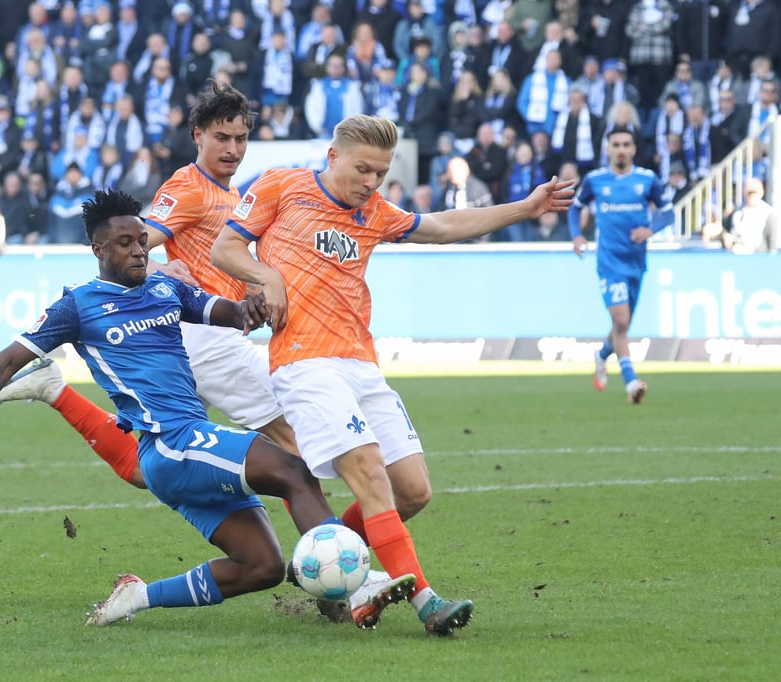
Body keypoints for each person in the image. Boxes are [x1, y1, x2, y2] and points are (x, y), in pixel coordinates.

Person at [0, 84, 416, 628]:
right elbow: (143, 237)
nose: (232, 148)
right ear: (197, 137)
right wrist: (158, 268)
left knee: (167, 465)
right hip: (205, 341)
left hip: (222, 332)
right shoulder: (188, 187)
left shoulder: (232, 193)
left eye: (240, 138)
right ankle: (345, 577)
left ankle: (53, 390)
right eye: (221, 137)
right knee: (294, 458)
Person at [209, 114, 574, 635]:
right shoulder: (281, 186)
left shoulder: (375, 212)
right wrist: (267, 276)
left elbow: (444, 227)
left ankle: (323, 554)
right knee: (371, 473)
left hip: (360, 363)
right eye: (362, 170)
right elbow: (226, 247)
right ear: (332, 157)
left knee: (413, 492)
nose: (370, 183)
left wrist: (528, 207)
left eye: (379, 173)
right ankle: (425, 600)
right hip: (304, 363)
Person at [0, 189, 345, 629]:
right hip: (170, 443)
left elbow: (229, 313)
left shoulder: (166, 288)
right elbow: (8, 359)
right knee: (295, 471)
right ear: (99, 249)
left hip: (186, 448)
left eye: (142, 241)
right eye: (125, 244)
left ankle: (137, 596)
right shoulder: (79, 305)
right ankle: (353, 581)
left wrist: (251, 308)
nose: (139, 251)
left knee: (262, 567)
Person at [569, 127, 675, 404]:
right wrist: (577, 235)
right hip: (609, 262)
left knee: (621, 328)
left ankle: (602, 354)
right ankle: (631, 383)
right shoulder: (595, 180)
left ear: (633, 149)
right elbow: (575, 207)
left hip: (636, 263)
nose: (621, 149)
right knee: (621, 320)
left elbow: (668, 212)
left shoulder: (647, 179)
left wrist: (650, 230)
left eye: (626, 144)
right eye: (616, 144)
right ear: (608, 149)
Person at [722, 178, 778, 254]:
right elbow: (727, 232)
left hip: (758, 257)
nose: (751, 195)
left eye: (754, 192)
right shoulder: (737, 212)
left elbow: (772, 245)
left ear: (762, 192)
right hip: (736, 255)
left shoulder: (768, 212)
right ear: (744, 192)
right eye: (749, 192)